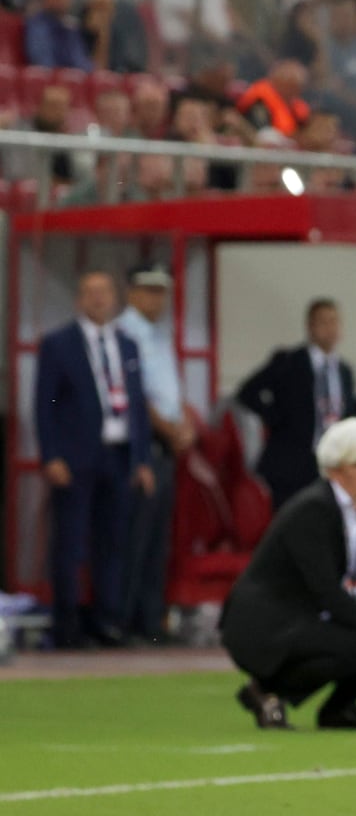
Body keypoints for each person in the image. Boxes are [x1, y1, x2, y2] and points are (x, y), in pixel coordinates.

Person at [221, 418, 356, 731]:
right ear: (335, 469)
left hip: (314, 614)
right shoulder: (312, 509)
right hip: (268, 624)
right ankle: (265, 691)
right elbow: (326, 591)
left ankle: (341, 709)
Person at [34, 271, 156, 649]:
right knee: (70, 543)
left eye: (104, 292)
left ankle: (108, 620)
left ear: (115, 298)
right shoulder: (59, 345)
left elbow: (137, 405)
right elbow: (46, 404)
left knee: (114, 543)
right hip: (76, 457)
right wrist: (51, 453)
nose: (98, 299)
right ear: (79, 300)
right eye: (90, 293)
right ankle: (67, 624)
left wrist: (142, 458)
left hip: (118, 455)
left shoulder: (128, 344)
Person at [117, 261, 194, 644]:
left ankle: (150, 622)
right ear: (131, 292)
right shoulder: (126, 333)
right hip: (143, 445)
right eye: (149, 290)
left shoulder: (157, 333)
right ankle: (126, 620)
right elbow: (137, 396)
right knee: (135, 538)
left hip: (167, 444)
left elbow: (168, 392)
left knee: (157, 541)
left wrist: (184, 425)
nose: (156, 298)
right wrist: (168, 428)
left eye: (162, 291)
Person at [236, 299, 356, 509]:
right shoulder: (289, 362)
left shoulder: (344, 371)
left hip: (330, 464)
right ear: (310, 326)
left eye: (334, 322)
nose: (330, 328)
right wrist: (277, 419)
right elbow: (248, 392)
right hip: (291, 463)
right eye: (323, 322)